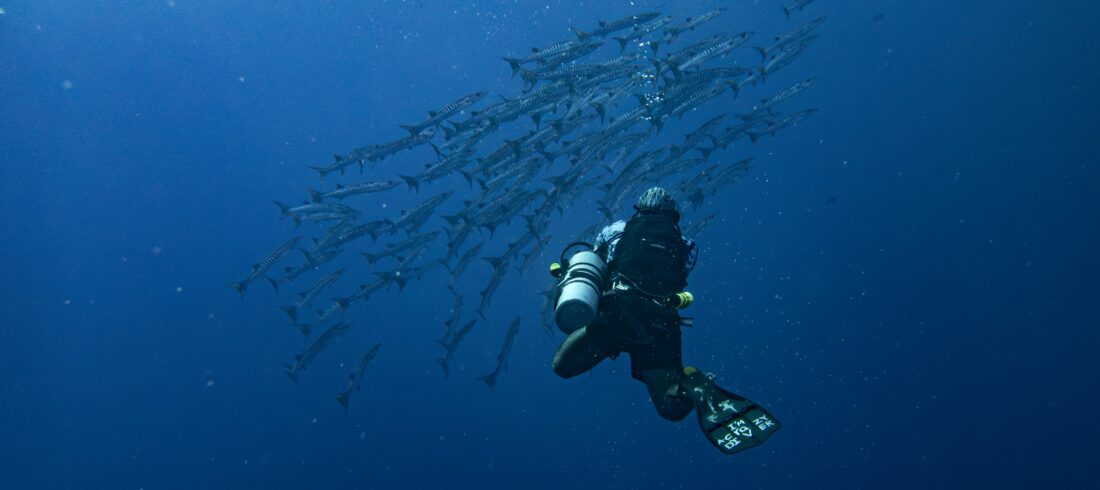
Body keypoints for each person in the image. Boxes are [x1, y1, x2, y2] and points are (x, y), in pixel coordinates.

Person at [551, 187, 781, 455]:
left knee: (562, 366)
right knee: (669, 406)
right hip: (661, 321)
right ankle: (693, 384)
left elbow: (597, 266)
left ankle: (685, 382)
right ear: (672, 214)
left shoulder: (616, 230)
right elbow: (681, 278)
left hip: (619, 312)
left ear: (640, 207)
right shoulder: (686, 244)